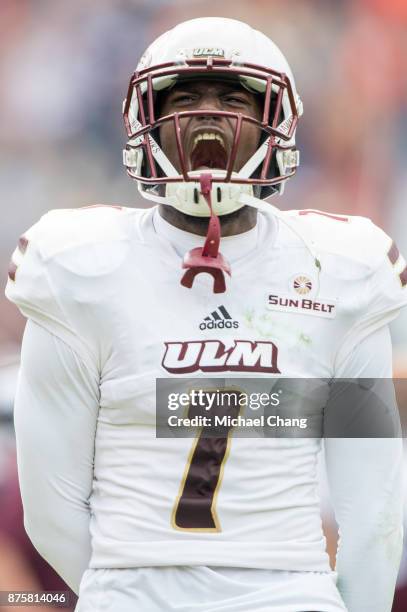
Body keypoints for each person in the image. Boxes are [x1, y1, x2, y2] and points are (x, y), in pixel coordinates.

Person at [5, 17, 407, 612]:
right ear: (148, 123)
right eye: (185, 97)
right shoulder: (77, 267)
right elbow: (50, 506)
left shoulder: (341, 270)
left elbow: (372, 511)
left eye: (233, 96)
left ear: (278, 122)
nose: (209, 113)